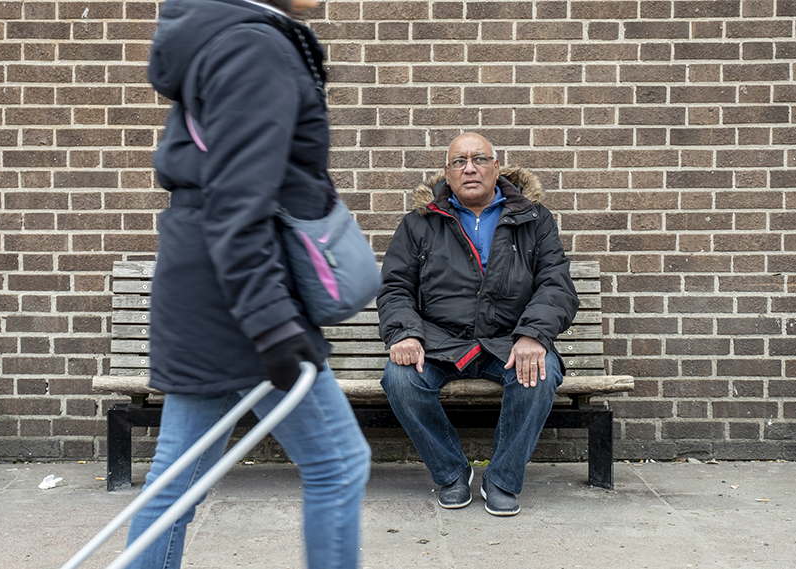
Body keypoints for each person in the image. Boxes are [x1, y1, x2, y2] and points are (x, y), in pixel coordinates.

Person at [127, 0, 371, 567]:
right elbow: (238, 203)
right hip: (237, 302)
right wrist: (271, 323)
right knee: (339, 463)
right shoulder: (253, 47)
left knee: (174, 483)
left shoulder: (223, 37)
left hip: (203, 289)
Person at [377, 132, 579, 517]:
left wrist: (533, 335)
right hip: (440, 342)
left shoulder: (533, 219)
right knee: (399, 379)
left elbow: (556, 284)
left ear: (497, 168)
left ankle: (502, 479)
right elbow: (396, 286)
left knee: (540, 372)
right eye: (459, 161)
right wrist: (404, 333)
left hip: (508, 341)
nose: (469, 168)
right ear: (448, 173)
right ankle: (452, 472)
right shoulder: (419, 223)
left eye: (480, 159)